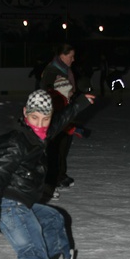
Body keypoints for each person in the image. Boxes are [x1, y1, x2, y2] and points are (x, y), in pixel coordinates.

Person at [0, 88, 95, 259]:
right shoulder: (15, 141)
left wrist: (80, 104)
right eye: (34, 118)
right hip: (6, 202)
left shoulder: (40, 132)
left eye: (45, 119)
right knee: (35, 256)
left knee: (53, 218)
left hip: (21, 202)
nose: (39, 125)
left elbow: (60, 121)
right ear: (25, 113)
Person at [41, 44, 77, 191]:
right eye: (71, 56)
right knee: (57, 146)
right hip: (56, 113)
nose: (73, 59)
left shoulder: (63, 70)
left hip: (63, 111)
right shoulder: (52, 71)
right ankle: (54, 178)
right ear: (62, 56)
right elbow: (51, 91)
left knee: (64, 145)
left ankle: (60, 174)